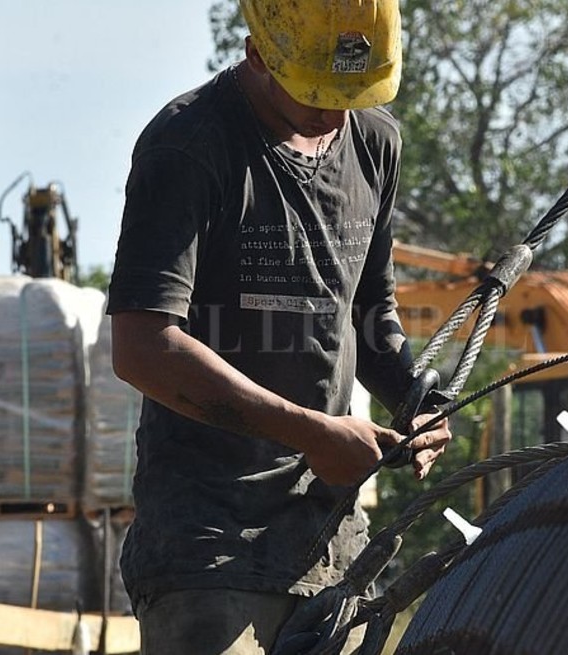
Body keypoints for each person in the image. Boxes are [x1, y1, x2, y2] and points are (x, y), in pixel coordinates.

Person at [105, 1, 452, 653]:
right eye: (317, 92)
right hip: (209, 553)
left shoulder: (375, 143)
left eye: (354, 92)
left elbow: (367, 307)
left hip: (331, 551)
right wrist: (313, 432)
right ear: (259, 53)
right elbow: (142, 347)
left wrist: (415, 400)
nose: (334, 113)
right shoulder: (190, 143)